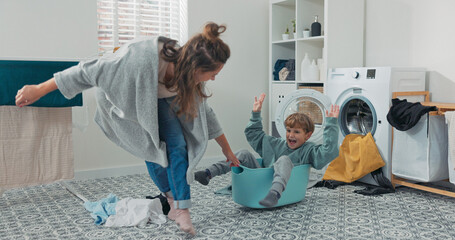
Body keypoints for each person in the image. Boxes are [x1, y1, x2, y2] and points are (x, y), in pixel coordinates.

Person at [15, 22, 240, 236]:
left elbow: (206, 115)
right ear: (195, 67)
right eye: (213, 73)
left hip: (163, 99)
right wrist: (38, 89)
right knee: (152, 149)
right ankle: (171, 199)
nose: (213, 78)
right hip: (130, 100)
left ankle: (182, 208)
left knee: (178, 145)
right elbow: (87, 70)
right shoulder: (140, 58)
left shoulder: (190, 79)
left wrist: (227, 151)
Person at [194, 93, 339, 207]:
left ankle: (275, 193)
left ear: (308, 135)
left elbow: (328, 152)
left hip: (283, 188)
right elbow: (254, 135)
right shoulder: (276, 144)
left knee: (284, 159)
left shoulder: (310, 150)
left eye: (296, 132)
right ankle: (208, 174)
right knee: (244, 153)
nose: (291, 135)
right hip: (262, 181)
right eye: (289, 130)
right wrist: (256, 113)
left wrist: (331, 124)